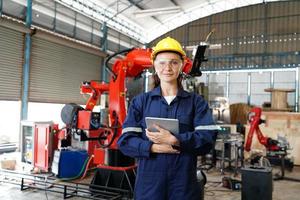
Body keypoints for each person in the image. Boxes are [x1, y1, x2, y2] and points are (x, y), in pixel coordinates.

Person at [117, 37, 218, 200]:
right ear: (154, 65)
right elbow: (125, 141)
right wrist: (153, 148)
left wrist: (176, 140)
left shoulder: (196, 102)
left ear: (182, 65)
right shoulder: (141, 102)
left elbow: (207, 139)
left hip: (183, 185)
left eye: (174, 62)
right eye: (162, 62)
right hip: (149, 185)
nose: (168, 68)